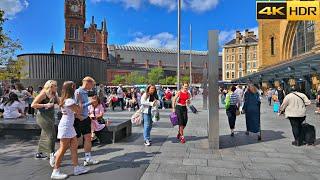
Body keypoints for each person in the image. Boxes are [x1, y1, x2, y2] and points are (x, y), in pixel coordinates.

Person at [51, 81, 89, 179]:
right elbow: (79, 110)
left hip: (68, 126)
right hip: (66, 126)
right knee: (63, 149)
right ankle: (55, 171)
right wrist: (80, 99)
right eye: (75, 86)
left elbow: (74, 112)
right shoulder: (69, 101)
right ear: (72, 87)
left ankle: (76, 168)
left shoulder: (65, 100)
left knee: (74, 147)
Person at [31, 80, 59, 165]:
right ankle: (52, 154)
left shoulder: (55, 94)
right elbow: (33, 105)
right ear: (51, 86)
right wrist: (45, 105)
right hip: (42, 117)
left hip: (50, 116)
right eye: (55, 86)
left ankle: (40, 153)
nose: (57, 87)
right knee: (52, 135)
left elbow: (59, 102)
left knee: (44, 134)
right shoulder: (43, 94)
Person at [74, 76, 99, 166]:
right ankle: (57, 156)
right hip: (79, 119)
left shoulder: (85, 92)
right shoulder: (78, 92)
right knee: (73, 141)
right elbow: (76, 106)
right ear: (87, 82)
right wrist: (90, 102)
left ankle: (88, 158)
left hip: (85, 118)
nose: (92, 87)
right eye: (92, 84)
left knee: (88, 137)